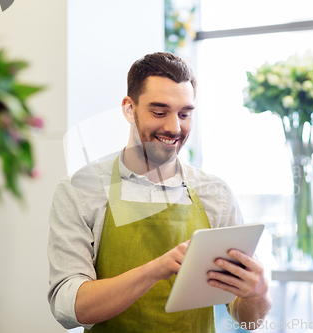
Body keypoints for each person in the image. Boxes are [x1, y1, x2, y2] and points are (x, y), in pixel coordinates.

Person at [47, 52, 272, 332]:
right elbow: (69, 309)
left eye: (185, 114)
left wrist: (259, 293)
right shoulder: (80, 191)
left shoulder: (216, 193)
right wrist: (156, 270)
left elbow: (248, 321)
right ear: (129, 108)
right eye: (159, 112)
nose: (174, 127)